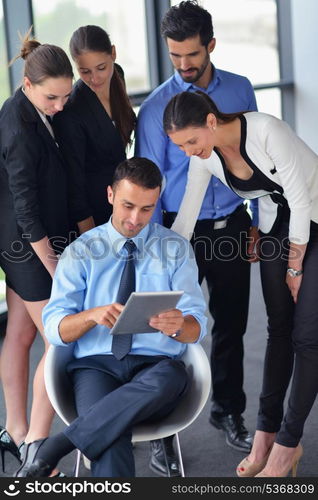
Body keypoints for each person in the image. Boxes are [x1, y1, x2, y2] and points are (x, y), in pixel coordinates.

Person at [15, 157, 207, 478]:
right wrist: (91, 316)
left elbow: (196, 328)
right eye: (128, 205)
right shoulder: (81, 252)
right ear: (110, 196)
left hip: (156, 368)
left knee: (171, 377)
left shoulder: (175, 248)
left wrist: (180, 325)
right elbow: (54, 328)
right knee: (110, 435)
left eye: (147, 209)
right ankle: (86, 434)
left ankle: (58, 446)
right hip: (96, 367)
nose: (135, 219)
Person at [163, 90, 318, 477]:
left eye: (190, 141)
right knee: (278, 329)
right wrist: (162, 263)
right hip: (275, 226)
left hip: (313, 218)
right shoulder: (207, 159)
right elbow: (187, 216)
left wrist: (294, 268)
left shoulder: (266, 130)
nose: (187, 152)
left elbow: (299, 199)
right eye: (180, 146)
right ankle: (266, 433)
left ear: (211, 122)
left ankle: (287, 446)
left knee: (307, 337)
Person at [135, 0, 257, 474]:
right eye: (175, 57)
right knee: (170, 333)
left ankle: (229, 411)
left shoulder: (242, 90)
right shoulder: (154, 109)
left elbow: (255, 162)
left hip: (232, 224)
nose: (184, 66)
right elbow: (149, 180)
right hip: (175, 233)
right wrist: (153, 246)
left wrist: (255, 222)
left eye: (192, 55)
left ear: (210, 45)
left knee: (231, 326)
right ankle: (164, 428)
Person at [0, 31, 73, 475]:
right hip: (27, 247)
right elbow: (26, 210)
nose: (60, 107)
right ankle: (36, 447)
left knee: (20, 336)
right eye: (52, 98)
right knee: (59, 339)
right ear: (28, 85)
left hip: (21, 241)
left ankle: (13, 428)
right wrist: (55, 266)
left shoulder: (28, 107)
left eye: (65, 97)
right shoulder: (19, 128)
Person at [53, 25, 136, 234]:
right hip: (95, 214)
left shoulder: (118, 75)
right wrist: (91, 238)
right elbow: (75, 185)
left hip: (124, 203)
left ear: (113, 54)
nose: (95, 78)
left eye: (101, 67)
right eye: (84, 71)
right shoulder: (71, 111)